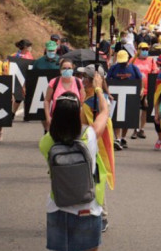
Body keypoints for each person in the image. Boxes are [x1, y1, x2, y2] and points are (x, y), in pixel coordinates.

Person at [39, 88, 109, 251]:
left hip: (57, 206)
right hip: (88, 207)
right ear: (78, 113)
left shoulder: (45, 143)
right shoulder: (89, 135)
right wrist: (98, 90)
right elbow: (105, 111)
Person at [78, 66, 113, 234]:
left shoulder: (98, 100)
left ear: (94, 80)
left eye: (86, 77)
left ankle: (103, 216)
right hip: (84, 145)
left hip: (94, 148)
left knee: (97, 182)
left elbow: (101, 122)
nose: (82, 79)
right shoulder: (90, 97)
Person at [106, 50, 143, 150]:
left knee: (127, 118)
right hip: (116, 96)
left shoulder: (134, 68)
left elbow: (140, 79)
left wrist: (142, 89)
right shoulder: (113, 68)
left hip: (130, 96)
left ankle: (123, 138)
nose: (122, 64)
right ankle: (117, 139)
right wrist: (107, 93)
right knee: (116, 118)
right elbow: (107, 81)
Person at [44, 59, 85, 133]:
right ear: (60, 70)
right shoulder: (53, 82)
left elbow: (82, 101)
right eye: (64, 68)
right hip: (57, 119)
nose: (67, 70)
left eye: (69, 68)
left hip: (74, 120)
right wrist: (48, 117)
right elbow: (47, 100)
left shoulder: (79, 82)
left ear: (73, 69)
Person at [131, 43, 158, 140]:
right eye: (143, 49)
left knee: (145, 109)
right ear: (138, 49)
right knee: (135, 110)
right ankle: (135, 129)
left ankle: (142, 129)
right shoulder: (133, 60)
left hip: (147, 89)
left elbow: (155, 71)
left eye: (147, 49)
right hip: (136, 89)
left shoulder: (151, 60)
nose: (145, 50)